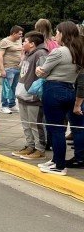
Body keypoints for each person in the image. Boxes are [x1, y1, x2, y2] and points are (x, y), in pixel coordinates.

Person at [35, 20, 84, 175]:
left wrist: (38, 69)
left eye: (57, 32)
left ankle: (59, 165)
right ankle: (56, 160)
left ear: (63, 33)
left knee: (56, 129)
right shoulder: (78, 51)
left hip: (54, 89)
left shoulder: (59, 51)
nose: (55, 34)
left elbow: (42, 71)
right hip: (70, 89)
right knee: (61, 129)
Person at [13, 31, 48, 160]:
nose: (23, 43)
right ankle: (29, 145)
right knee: (26, 123)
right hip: (23, 95)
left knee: (35, 124)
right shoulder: (28, 54)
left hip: (33, 97)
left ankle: (39, 149)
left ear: (32, 44)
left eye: (25, 41)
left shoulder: (41, 54)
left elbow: (43, 74)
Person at [0, 26, 24, 114]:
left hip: (18, 68)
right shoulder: (4, 41)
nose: (21, 36)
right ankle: (4, 106)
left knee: (14, 87)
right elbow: (0, 55)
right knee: (6, 88)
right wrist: (2, 69)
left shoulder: (19, 40)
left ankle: (12, 105)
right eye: (19, 34)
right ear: (14, 33)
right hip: (8, 68)